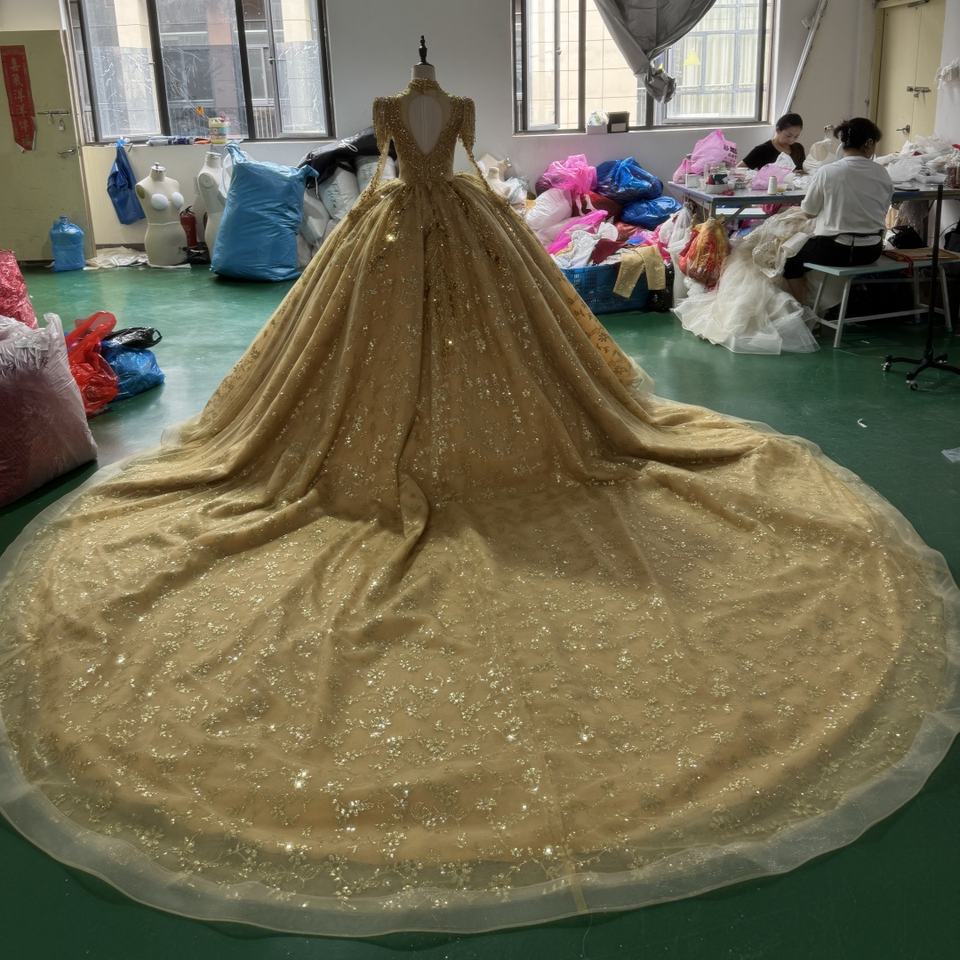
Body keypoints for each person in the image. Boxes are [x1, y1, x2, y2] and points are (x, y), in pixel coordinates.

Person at [0, 77, 957, 938]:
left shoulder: (410, 111)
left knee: (501, 353)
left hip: (407, 222)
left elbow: (397, 166)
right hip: (439, 223)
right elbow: (429, 162)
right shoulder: (427, 111)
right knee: (397, 355)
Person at [782, 117, 892, 301]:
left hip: (834, 251)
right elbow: (884, 209)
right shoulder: (883, 173)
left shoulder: (828, 171)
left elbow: (809, 212)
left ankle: (803, 307)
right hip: (871, 251)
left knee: (790, 260)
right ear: (868, 143)